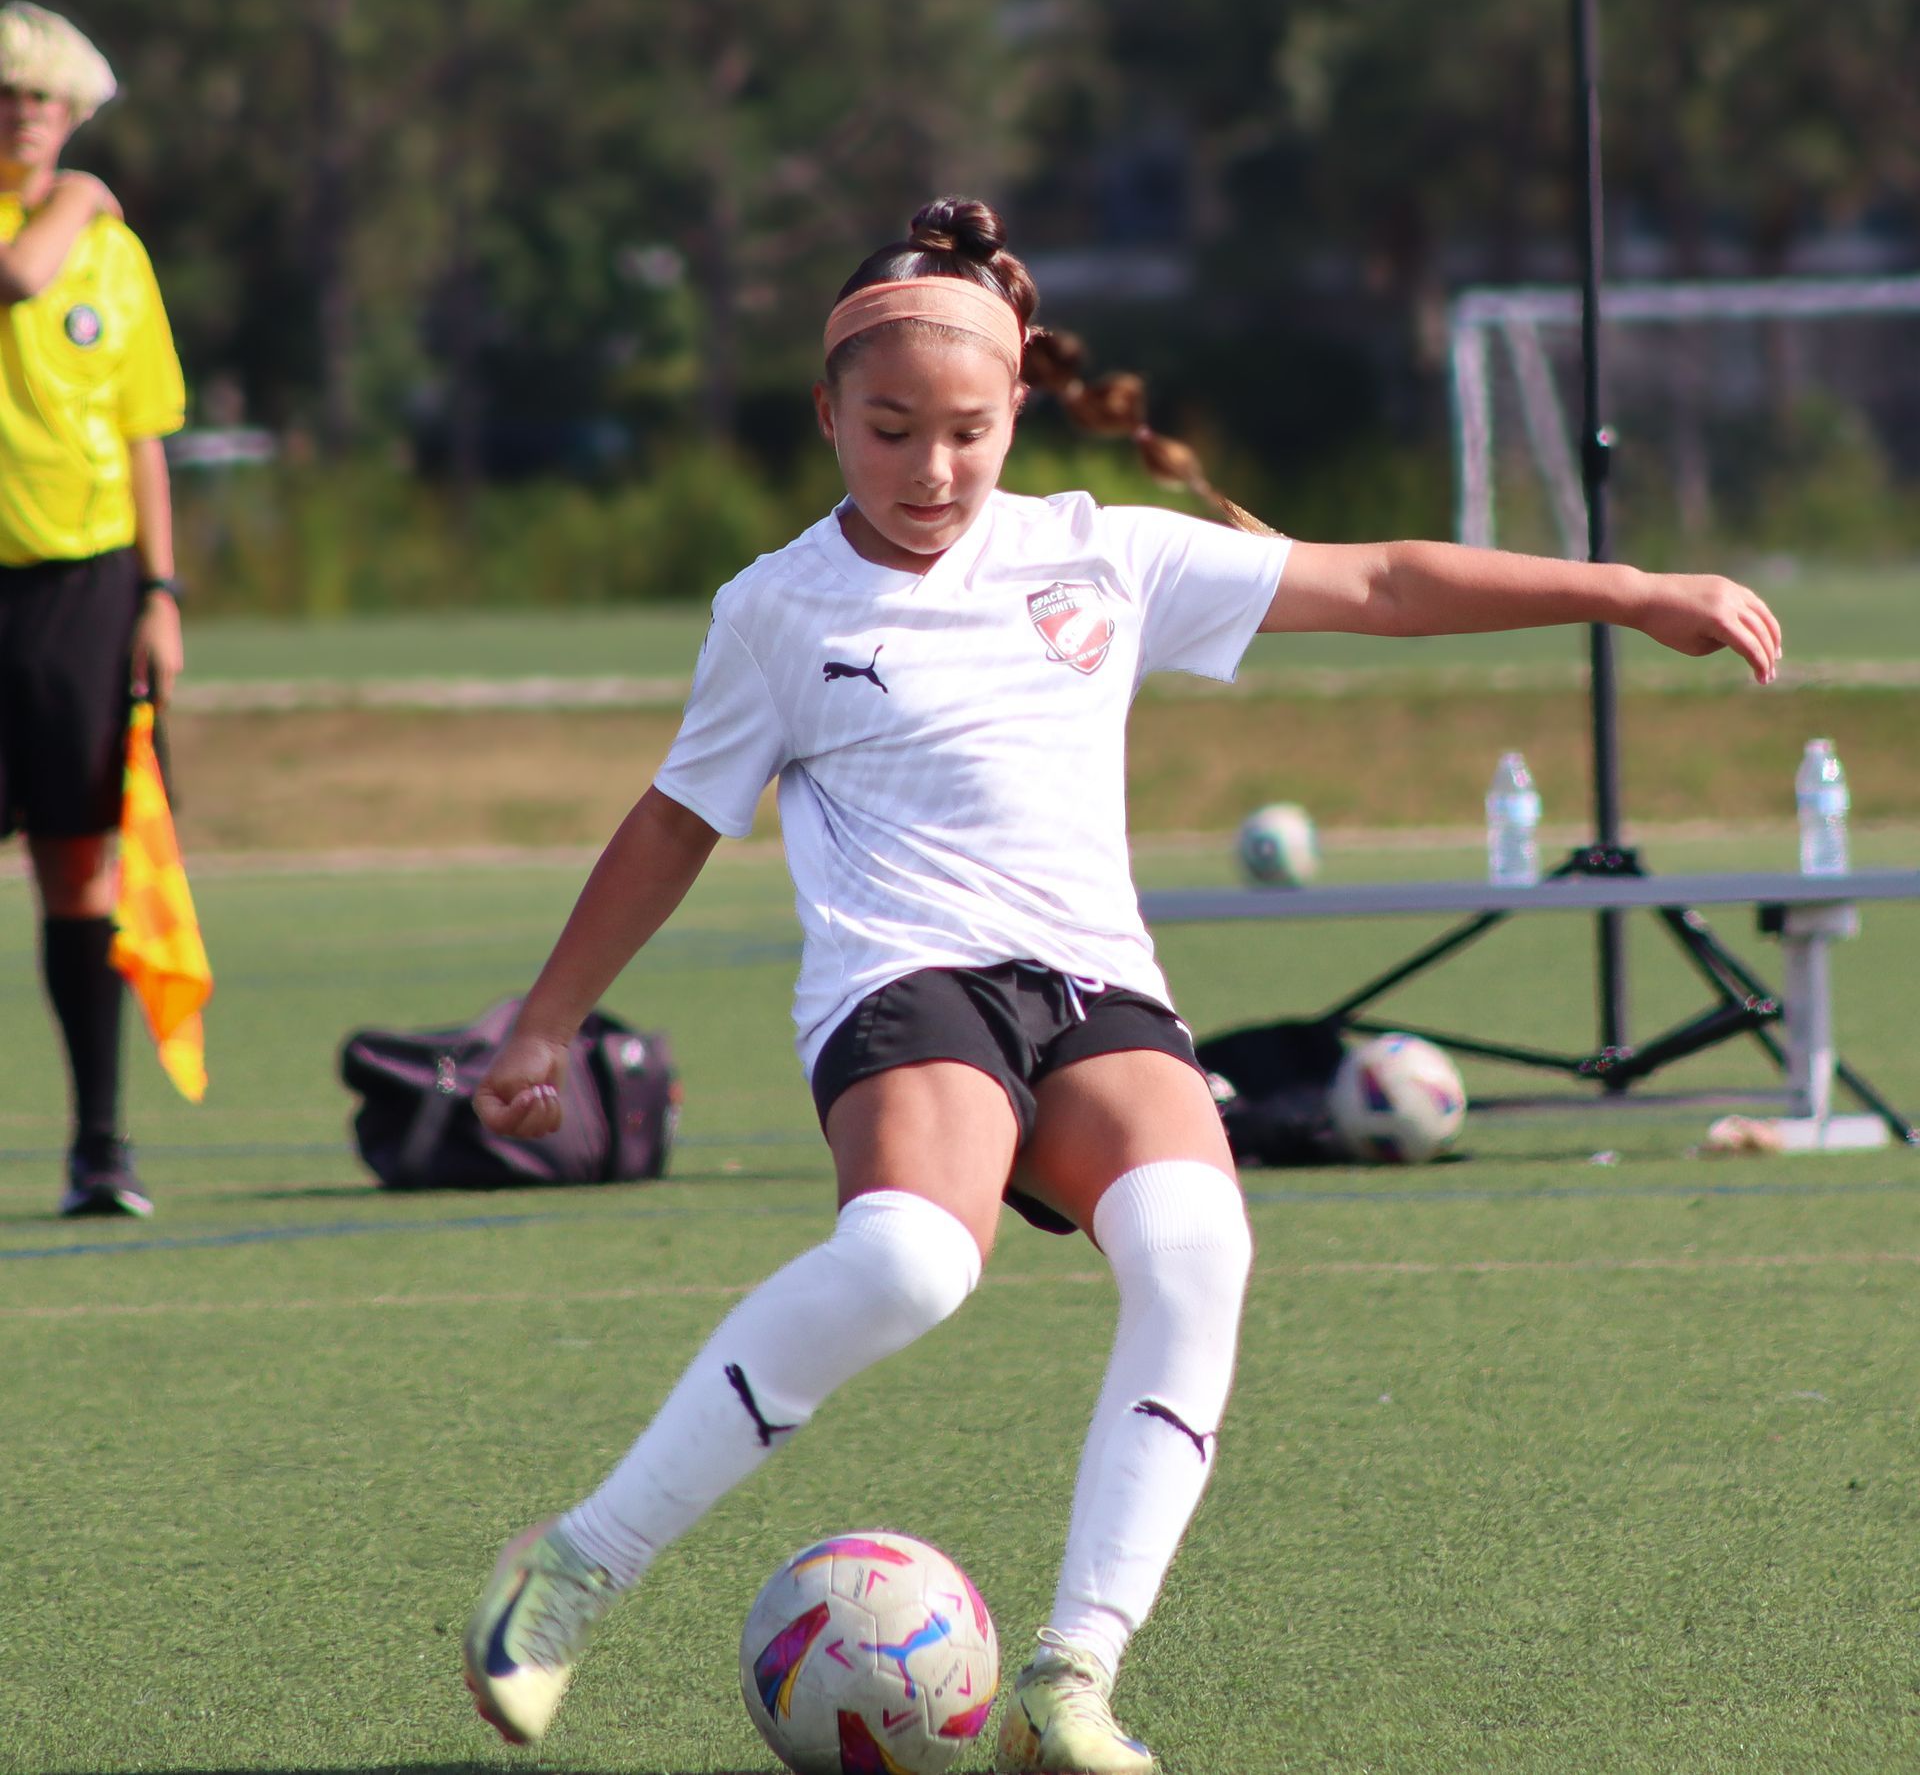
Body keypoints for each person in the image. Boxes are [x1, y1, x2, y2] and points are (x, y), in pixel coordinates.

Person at [461, 197, 1780, 1773]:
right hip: (908, 978)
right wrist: (545, 1018)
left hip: (1093, 984)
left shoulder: (1101, 551)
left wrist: (1629, 589)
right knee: (906, 1264)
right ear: (825, 414)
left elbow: (1383, 583)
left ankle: (1069, 1676)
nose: (932, 468)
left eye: (966, 431)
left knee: (1197, 1244)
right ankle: (573, 1566)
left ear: (1017, 410)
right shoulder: (774, 609)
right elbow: (674, 819)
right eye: (889, 430)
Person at [0, 2, 187, 1219]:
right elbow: (18, 273)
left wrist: (162, 593)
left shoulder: (118, 255)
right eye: (9, 97)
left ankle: (99, 1143)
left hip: (89, 586)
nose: (26, 117)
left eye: (46, 101)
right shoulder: (70, 222)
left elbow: (144, 430)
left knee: (83, 864)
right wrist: (85, 192)